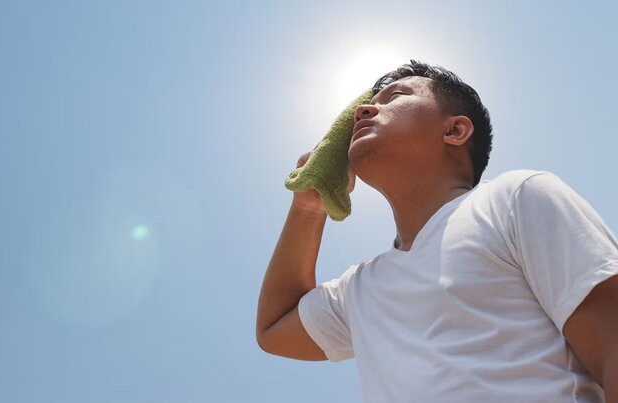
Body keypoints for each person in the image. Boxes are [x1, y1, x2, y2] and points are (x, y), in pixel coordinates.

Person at [256, 59, 618, 402]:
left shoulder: (513, 199)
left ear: (455, 130)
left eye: (395, 97)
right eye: (367, 105)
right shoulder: (360, 289)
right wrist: (308, 207)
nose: (363, 111)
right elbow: (274, 329)